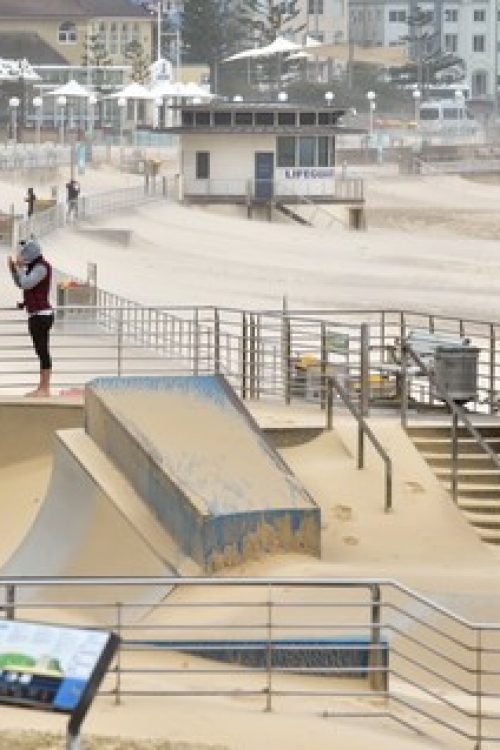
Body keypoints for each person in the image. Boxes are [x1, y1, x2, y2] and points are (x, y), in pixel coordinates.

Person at [8, 238, 54, 397]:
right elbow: (21, 284)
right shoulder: (34, 266)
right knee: (40, 350)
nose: (20, 256)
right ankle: (42, 387)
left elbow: (27, 283)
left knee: (42, 351)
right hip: (36, 315)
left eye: (23, 254)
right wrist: (14, 270)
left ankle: (44, 388)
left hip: (42, 315)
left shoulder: (41, 267)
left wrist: (20, 267)